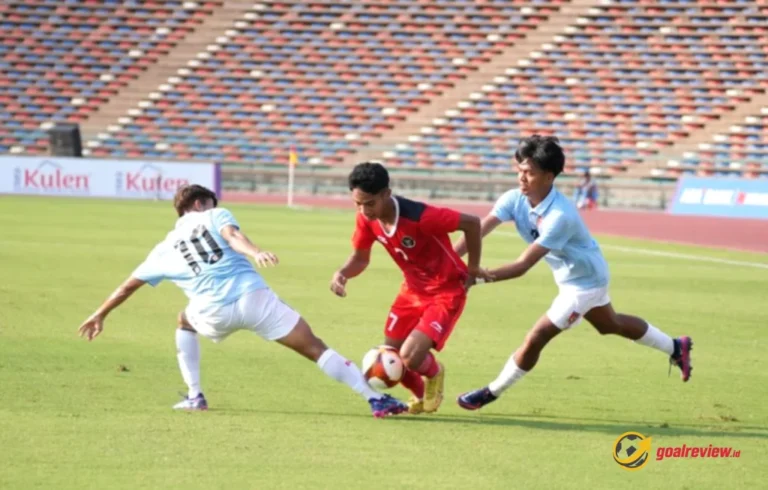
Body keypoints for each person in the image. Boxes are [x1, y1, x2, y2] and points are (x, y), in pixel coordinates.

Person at [77, 184, 408, 418]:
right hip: (253, 298)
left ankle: (195, 396)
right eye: (210, 201)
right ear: (198, 203)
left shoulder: (162, 249)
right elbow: (233, 237)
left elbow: (126, 287)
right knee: (315, 348)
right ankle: (375, 400)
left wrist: (99, 314)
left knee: (184, 320)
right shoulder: (214, 213)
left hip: (212, 312)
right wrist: (256, 252)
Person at [452, 136, 693, 411]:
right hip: (572, 276)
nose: (521, 177)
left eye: (529, 172)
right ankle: (676, 347)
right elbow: (480, 230)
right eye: (519, 170)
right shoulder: (513, 198)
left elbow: (522, 266)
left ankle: (491, 392)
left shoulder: (559, 215)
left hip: (585, 282)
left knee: (537, 337)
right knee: (609, 325)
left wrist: (476, 277)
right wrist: (451, 260)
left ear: (549, 176)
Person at [329, 161, 493, 415]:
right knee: (390, 353)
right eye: (357, 203)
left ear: (386, 194)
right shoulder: (367, 219)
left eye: (369, 203)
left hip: (445, 290)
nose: (363, 210)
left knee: (410, 356)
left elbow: (472, 223)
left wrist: (472, 268)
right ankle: (417, 395)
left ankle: (435, 373)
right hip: (412, 291)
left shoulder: (422, 218)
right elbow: (360, 258)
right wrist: (342, 274)